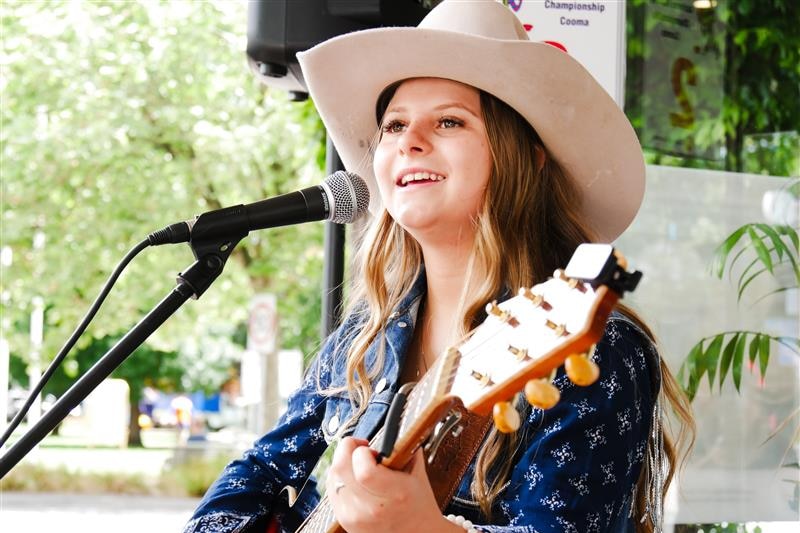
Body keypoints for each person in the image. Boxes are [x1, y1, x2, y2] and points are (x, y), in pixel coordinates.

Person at [182, 1, 694, 532]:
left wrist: (424, 527)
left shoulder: (591, 346)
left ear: (527, 154)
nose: (409, 141)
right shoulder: (362, 340)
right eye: (394, 124)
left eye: (450, 120)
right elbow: (254, 474)